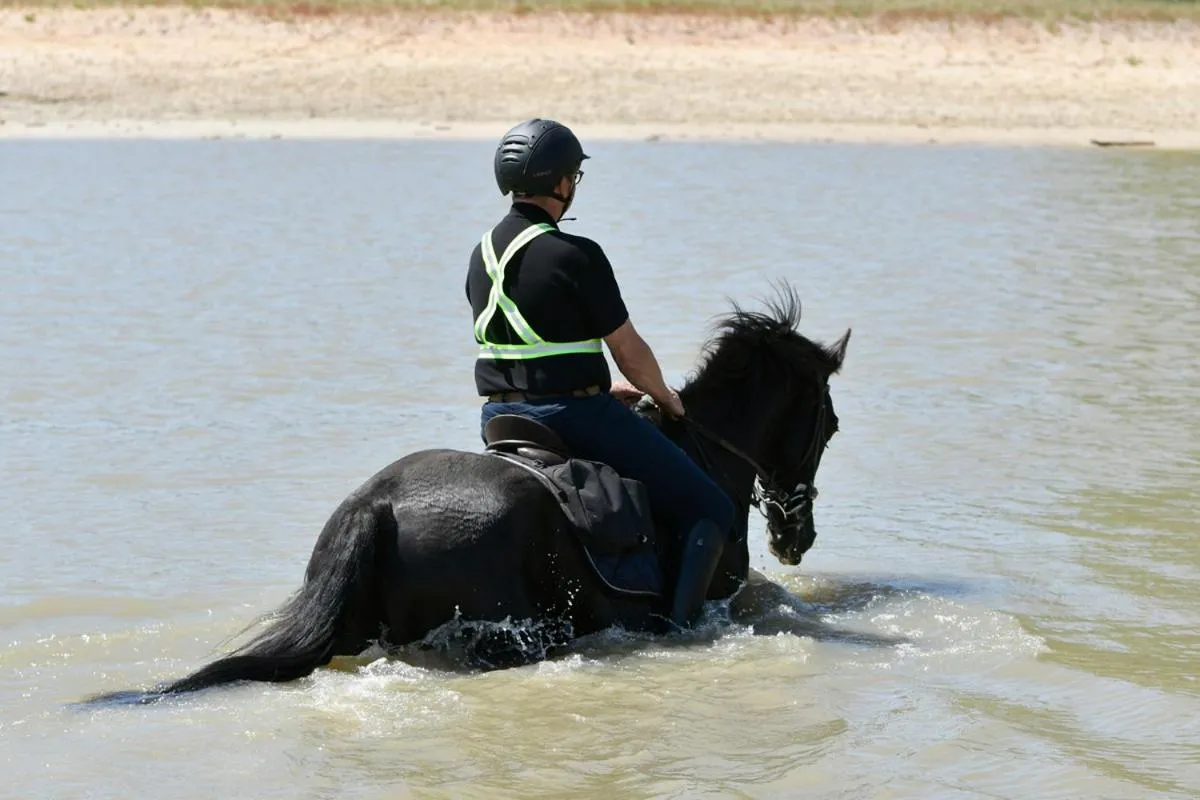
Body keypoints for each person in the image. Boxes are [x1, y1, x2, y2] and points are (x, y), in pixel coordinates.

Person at [465, 118, 736, 629]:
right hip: (572, 416)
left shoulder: (481, 256)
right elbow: (629, 352)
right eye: (573, 178)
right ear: (562, 182)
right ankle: (679, 637)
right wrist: (667, 399)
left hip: (499, 417)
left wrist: (598, 384)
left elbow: (522, 347)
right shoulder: (575, 253)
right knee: (712, 508)